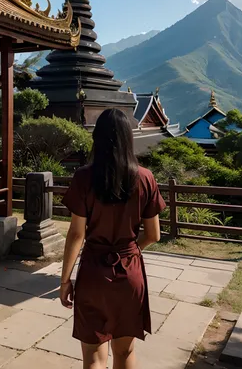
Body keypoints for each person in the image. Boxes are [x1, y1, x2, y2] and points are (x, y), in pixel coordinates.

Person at [60, 108, 165, 369]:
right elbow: (154, 235)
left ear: (97, 138)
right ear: (129, 138)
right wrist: (130, 250)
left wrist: (65, 280)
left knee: (94, 357)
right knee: (125, 353)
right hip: (130, 273)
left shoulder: (84, 177)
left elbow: (76, 233)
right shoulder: (145, 177)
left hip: (94, 273)